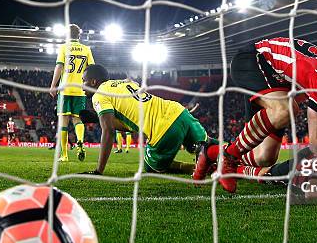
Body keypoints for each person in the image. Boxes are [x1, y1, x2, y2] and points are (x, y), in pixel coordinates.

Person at [193, 37, 317, 193]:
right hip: (254, 60)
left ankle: (210, 151)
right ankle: (229, 157)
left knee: (264, 157)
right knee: (287, 110)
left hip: (278, 81)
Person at [77, 64, 214, 175]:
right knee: (208, 145)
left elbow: (109, 131)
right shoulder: (125, 83)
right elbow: (130, 124)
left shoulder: (99, 94)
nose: (82, 85)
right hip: (180, 112)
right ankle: (231, 156)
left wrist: (99, 170)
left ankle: (199, 169)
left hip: (164, 130)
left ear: (94, 82)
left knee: (151, 167)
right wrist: (97, 118)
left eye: (84, 81)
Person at [49, 24, 94, 162]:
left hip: (65, 89)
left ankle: (64, 155)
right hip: (80, 90)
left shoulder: (63, 47)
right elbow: (91, 69)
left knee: (63, 121)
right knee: (78, 120)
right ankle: (80, 141)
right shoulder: (86, 49)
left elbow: (59, 66)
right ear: (79, 35)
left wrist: (53, 85)